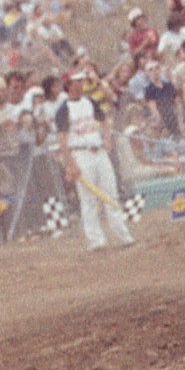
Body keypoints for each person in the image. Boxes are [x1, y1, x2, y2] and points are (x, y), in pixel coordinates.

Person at [57, 63, 135, 252]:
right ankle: (96, 241)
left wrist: (106, 139)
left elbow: (103, 119)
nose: (80, 85)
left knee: (110, 192)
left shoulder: (89, 102)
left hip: (98, 150)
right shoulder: (63, 109)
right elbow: (62, 139)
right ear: (68, 85)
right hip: (80, 153)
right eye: (76, 82)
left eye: (81, 81)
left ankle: (122, 236)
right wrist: (71, 164)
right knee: (88, 199)